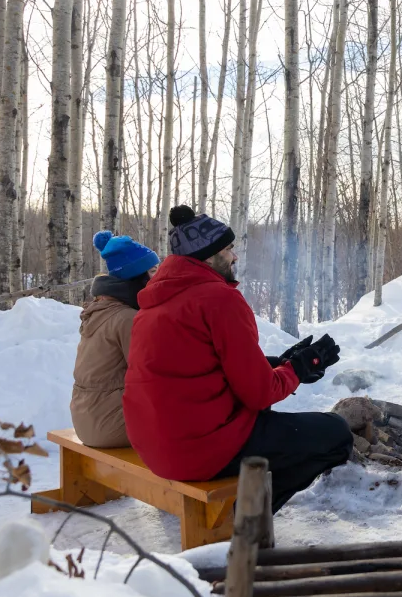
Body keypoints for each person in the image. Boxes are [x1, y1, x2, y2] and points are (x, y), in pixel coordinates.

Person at [124, 205, 352, 512]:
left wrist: (276, 363)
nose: (235, 256)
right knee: (336, 434)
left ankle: (242, 505)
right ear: (208, 255)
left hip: (154, 446)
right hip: (199, 450)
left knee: (272, 426)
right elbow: (258, 395)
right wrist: (297, 369)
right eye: (229, 249)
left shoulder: (154, 304)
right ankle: (245, 516)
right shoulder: (219, 299)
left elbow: (201, 367)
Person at [70, 231, 159, 448]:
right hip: (111, 424)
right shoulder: (126, 318)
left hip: (88, 418)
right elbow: (152, 375)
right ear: (137, 277)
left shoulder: (102, 309)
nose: (159, 278)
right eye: (153, 271)